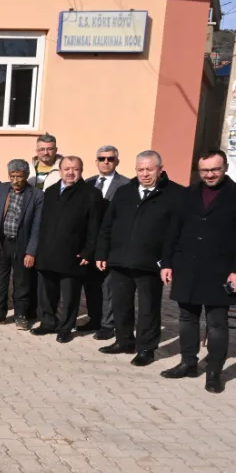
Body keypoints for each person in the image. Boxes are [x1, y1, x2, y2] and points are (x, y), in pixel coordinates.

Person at [96, 150, 183, 367]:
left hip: (150, 263)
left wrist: (167, 262)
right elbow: (108, 224)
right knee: (120, 304)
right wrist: (102, 252)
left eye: (149, 169)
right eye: (140, 169)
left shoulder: (175, 194)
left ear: (160, 169)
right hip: (120, 260)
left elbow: (176, 233)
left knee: (148, 309)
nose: (144, 174)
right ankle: (124, 340)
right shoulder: (124, 191)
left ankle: (146, 348)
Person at [159, 149, 236, 393]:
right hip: (187, 267)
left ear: (224, 168)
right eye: (205, 170)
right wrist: (167, 263)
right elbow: (173, 230)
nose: (210, 174)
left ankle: (213, 372)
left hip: (220, 270)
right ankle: (188, 363)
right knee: (186, 318)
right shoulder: (187, 194)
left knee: (217, 323)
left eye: (215, 169)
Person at [32, 156, 102, 343]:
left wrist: (88, 250)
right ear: (60, 171)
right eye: (67, 169)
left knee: (70, 295)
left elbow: (94, 226)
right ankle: (48, 322)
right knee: (46, 292)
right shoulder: (50, 191)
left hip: (73, 253)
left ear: (81, 171)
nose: (70, 172)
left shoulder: (91, 194)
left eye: (75, 169)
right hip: (47, 251)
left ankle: (65, 327)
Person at [0, 159, 44, 328]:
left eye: (19, 176)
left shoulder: (37, 195)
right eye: (12, 176)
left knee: (22, 283)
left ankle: (21, 315)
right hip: (1, 243)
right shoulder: (0, 189)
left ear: (27, 175)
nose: (15, 180)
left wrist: (31, 252)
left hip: (22, 245)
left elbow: (37, 226)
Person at [81, 145, 129, 339]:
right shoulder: (88, 183)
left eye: (110, 159)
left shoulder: (126, 185)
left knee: (108, 286)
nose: (106, 162)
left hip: (112, 242)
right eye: (102, 159)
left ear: (117, 161)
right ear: (96, 162)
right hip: (90, 242)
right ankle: (94, 318)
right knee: (91, 284)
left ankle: (108, 324)